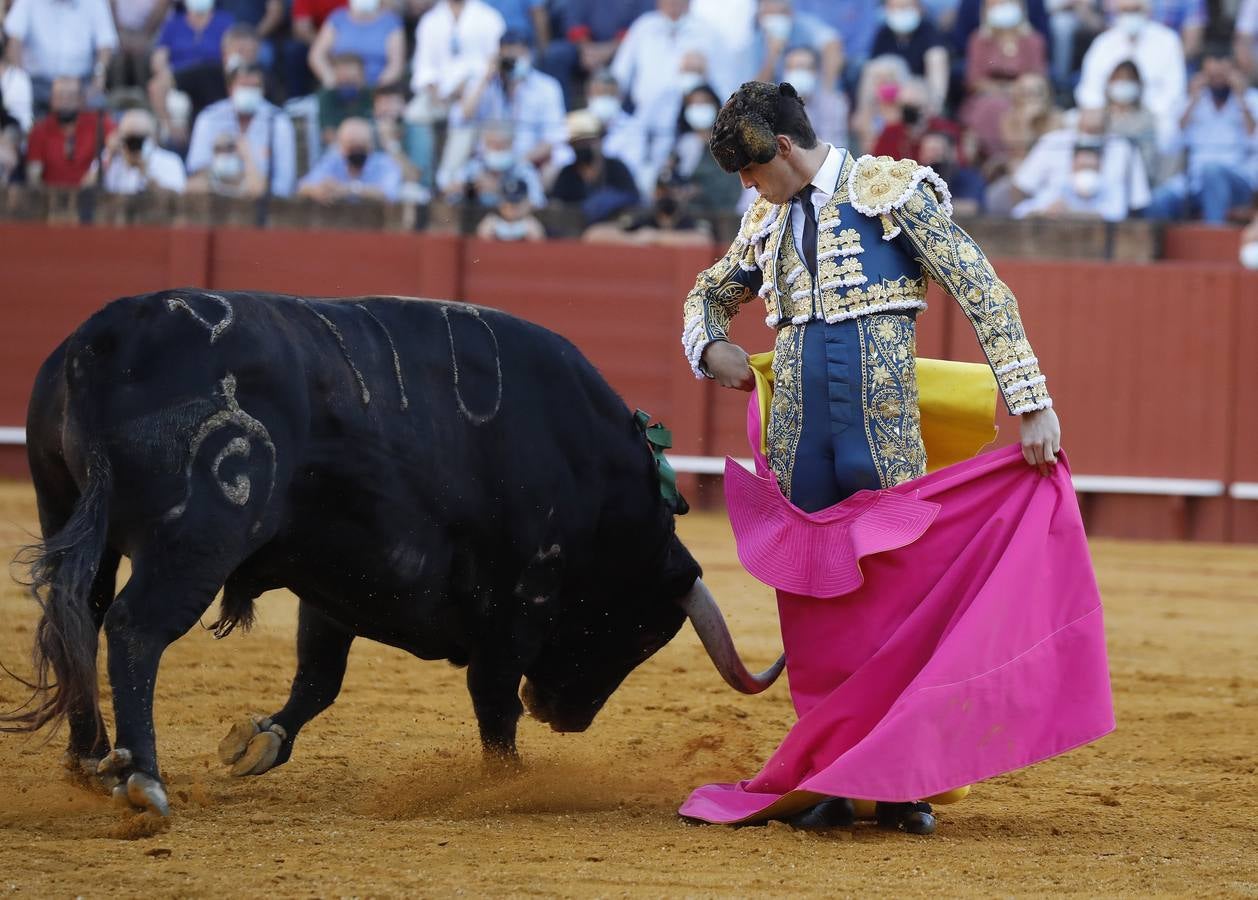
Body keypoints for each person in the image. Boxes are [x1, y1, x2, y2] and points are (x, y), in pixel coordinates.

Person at [679, 80, 1066, 835]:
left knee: (897, 603)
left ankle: (899, 780)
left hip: (882, 434)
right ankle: (829, 770)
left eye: (754, 171)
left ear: (784, 148)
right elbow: (710, 293)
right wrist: (710, 344)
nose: (750, 188)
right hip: (798, 440)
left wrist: (1031, 399)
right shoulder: (766, 217)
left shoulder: (890, 188)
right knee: (815, 605)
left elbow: (982, 290)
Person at [1143, 46, 1257, 224]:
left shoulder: (1251, 100)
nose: (1218, 82)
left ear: (1234, 74)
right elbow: (1169, 146)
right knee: (1157, 202)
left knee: (1212, 172)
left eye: (1223, 76)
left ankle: (1213, 245)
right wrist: (1192, 101)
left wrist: (1242, 100)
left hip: (1238, 180)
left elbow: (1254, 142)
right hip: (1194, 181)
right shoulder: (1193, 101)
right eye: (1213, 76)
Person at [1074, 0, 1185, 145]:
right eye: (1125, 10)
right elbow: (1089, 90)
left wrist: (1142, 115)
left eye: (1135, 9)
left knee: (1169, 132)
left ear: (1147, 10)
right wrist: (1107, 113)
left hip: (1153, 117)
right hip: (1109, 116)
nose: (1130, 14)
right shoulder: (1103, 43)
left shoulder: (1167, 40)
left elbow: (1174, 92)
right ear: (1115, 12)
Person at [186, 61, 296, 196]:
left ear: (263, 90)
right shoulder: (209, 118)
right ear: (231, 88)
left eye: (254, 86)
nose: (249, 91)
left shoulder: (278, 122)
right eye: (244, 85)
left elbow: (283, 187)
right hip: (215, 199)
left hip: (264, 207)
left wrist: (246, 156)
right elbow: (195, 176)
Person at [960, 0, 1048, 161]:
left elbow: (1038, 76)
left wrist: (1016, 90)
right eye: (997, 4)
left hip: (1025, 94)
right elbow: (974, 80)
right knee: (991, 107)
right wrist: (1002, 90)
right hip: (987, 96)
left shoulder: (1033, 40)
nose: (1002, 8)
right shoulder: (979, 40)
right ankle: (995, 158)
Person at [2, 0, 118, 111]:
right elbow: (14, 39)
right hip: (37, 83)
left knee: (97, 104)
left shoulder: (95, 2)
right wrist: (21, 80)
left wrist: (98, 78)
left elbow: (105, 43)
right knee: (17, 104)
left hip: (80, 83)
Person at [609, 0, 706, 118]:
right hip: (642, 118)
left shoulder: (706, 32)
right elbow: (619, 75)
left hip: (689, 122)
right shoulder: (643, 27)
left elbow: (723, 82)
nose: (672, 2)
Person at [551, 108, 640, 225]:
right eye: (578, 143)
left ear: (599, 140)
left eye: (588, 141)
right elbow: (556, 206)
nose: (583, 146)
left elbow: (633, 199)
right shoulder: (567, 174)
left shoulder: (616, 168)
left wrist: (606, 202)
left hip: (613, 227)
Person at [584, 166, 713, 245]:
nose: (665, 195)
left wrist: (656, 237)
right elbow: (593, 235)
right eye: (661, 191)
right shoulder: (642, 218)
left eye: (671, 191)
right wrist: (634, 239)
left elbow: (704, 241)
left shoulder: (689, 220)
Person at [23, 75, 113, 187]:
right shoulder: (40, 130)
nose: (65, 103)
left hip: (91, 198)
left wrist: (94, 172)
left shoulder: (99, 122)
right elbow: (34, 178)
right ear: (52, 100)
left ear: (81, 100)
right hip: (49, 199)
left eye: (70, 97)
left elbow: (115, 143)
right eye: (60, 97)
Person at [869, 0, 951, 113]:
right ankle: (866, 118)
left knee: (937, 56)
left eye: (906, 7)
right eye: (896, 8)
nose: (901, 12)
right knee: (878, 68)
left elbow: (936, 57)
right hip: (891, 91)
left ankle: (935, 111)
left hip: (922, 88)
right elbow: (873, 69)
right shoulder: (883, 34)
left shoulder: (928, 29)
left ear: (918, 7)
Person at [299, 115, 403, 202]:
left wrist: (350, 189)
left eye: (361, 146)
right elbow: (302, 187)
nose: (356, 152)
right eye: (352, 147)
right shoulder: (333, 161)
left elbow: (389, 193)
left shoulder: (384, 163)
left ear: (371, 145)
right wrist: (317, 191)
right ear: (341, 146)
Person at [1012, 142, 1128, 219]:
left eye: (1090, 168)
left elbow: (1116, 214)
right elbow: (1020, 211)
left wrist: (1071, 213)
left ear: (1099, 167)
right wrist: (1045, 211)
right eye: (1081, 167)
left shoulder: (1111, 186)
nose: (1086, 173)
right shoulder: (1061, 185)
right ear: (1073, 166)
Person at [744, 0, 843, 89]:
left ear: (790, 13)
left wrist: (827, 91)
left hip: (813, 99)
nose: (774, 18)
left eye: (780, 12)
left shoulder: (803, 26)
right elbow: (753, 89)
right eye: (769, 13)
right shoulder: (754, 41)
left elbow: (832, 45)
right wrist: (772, 55)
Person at [308, 0, 405, 88]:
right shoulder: (337, 18)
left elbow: (396, 65)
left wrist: (377, 89)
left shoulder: (391, 21)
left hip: (376, 89)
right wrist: (330, 79)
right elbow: (316, 55)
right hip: (339, 85)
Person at [872, 78, 964, 162]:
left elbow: (959, 163)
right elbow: (876, 165)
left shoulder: (945, 130)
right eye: (905, 107)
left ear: (928, 108)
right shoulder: (890, 133)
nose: (909, 112)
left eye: (914, 107)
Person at [1101, 60, 1161, 186]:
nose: (1122, 83)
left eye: (1128, 79)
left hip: (1134, 181)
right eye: (1118, 78)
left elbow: (1148, 161)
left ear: (1138, 84)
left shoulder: (1146, 118)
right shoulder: (1098, 116)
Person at [101, 107, 186, 194]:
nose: (134, 144)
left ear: (153, 137)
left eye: (139, 139)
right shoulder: (110, 159)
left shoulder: (170, 162)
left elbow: (176, 200)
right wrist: (109, 157)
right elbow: (87, 190)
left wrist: (145, 174)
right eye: (129, 139)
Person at [782, 45, 849, 150]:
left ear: (815, 72)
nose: (797, 73)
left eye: (802, 68)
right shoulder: (776, 104)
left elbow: (833, 146)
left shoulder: (834, 103)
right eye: (792, 68)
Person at [317, 52, 373, 146]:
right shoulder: (327, 97)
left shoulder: (373, 96)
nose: (348, 84)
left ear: (363, 78)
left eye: (352, 80)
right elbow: (328, 135)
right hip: (337, 153)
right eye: (344, 80)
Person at [475, 173, 546, 239]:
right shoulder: (490, 223)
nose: (511, 206)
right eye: (508, 201)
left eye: (516, 202)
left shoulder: (532, 225)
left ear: (526, 201)